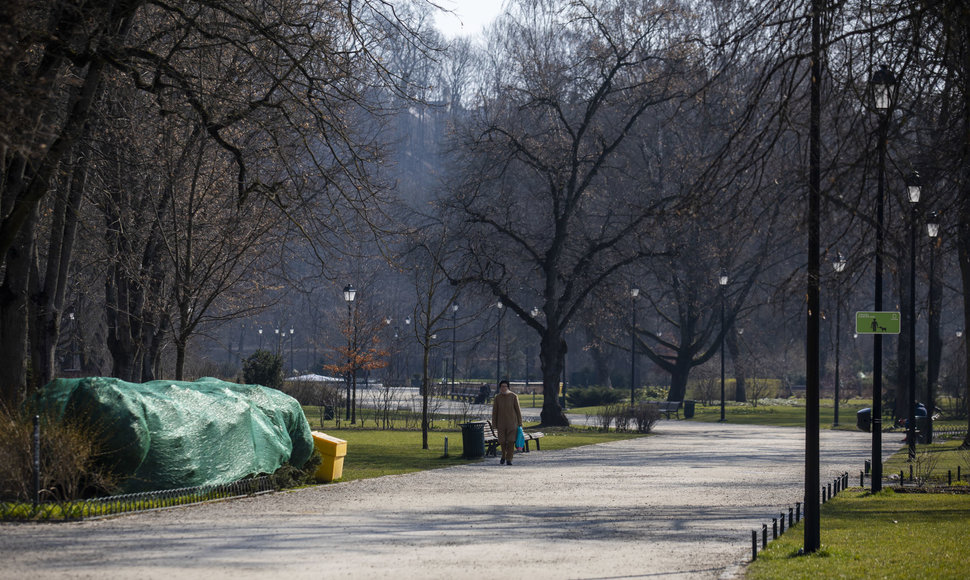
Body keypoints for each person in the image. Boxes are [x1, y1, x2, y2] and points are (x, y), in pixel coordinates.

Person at [491, 380, 522, 465]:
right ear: (500, 388)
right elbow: (495, 412)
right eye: (502, 386)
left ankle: (509, 459)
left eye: (505, 386)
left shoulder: (513, 396)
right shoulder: (497, 398)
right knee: (502, 441)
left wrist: (520, 423)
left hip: (512, 423)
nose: (503, 388)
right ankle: (503, 455)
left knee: (511, 441)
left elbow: (518, 411)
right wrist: (494, 424)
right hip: (501, 424)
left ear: (508, 387)